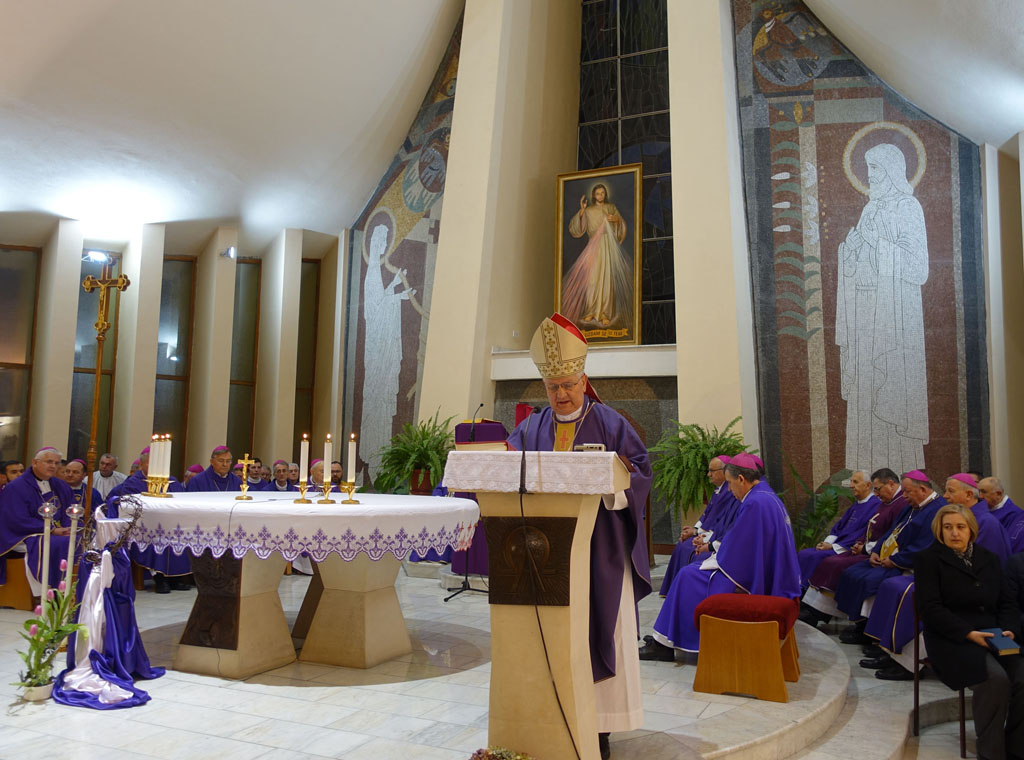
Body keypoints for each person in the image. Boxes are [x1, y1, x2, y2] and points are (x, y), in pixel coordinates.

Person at [506, 313, 651, 758]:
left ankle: (600, 727)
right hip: (547, 553)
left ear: (583, 380)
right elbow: (507, 467)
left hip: (600, 548)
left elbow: (640, 472)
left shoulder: (610, 423)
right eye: (553, 387)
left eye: (568, 384)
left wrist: (609, 482)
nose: (562, 394)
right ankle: (553, 713)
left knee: (600, 630)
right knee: (551, 637)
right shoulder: (532, 428)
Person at [641, 453, 800, 661]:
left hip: (757, 582)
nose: (730, 490)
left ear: (741, 479)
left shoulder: (755, 503)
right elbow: (744, 543)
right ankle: (665, 639)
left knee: (688, 577)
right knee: (691, 572)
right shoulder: (765, 495)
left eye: (731, 484)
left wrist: (715, 556)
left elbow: (738, 550)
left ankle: (665, 645)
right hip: (772, 576)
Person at [836, 142, 929, 475]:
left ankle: (902, 470)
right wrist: (849, 252)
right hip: (864, 315)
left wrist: (877, 244)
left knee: (890, 383)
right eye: (868, 168)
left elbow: (919, 269)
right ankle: (864, 470)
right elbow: (859, 258)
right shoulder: (870, 210)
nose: (870, 175)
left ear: (891, 170)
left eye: (875, 168)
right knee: (866, 384)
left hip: (893, 319)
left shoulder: (909, 207)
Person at [862, 474, 1011, 681]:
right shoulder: (956, 516)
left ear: (969, 495)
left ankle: (908, 663)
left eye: (950, 491)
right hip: (950, 579)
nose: (945, 495)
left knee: (912, 595)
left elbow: (986, 569)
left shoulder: (986, 522)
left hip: (970, 597)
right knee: (894, 586)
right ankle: (891, 652)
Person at [916, 503, 1024, 760]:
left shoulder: (990, 559)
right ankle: (991, 753)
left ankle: (1016, 749)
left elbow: (1007, 603)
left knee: (1023, 677)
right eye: (948, 527)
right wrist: (968, 634)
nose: (955, 533)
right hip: (951, 639)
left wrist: (1009, 630)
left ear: (971, 530)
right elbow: (931, 609)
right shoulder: (927, 560)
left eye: (960, 527)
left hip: (994, 635)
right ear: (939, 530)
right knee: (995, 680)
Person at [832, 470, 945, 644]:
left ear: (923, 490)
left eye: (907, 492)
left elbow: (923, 546)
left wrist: (895, 560)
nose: (904, 496)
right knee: (851, 572)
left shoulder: (938, 510)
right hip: (887, 557)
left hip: (907, 564)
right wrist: (876, 551)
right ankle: (860, 624)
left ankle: (871, 634)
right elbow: (891, 531)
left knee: (871, 580)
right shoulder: (911, 506)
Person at [801, 467, 909, 628]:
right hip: (865, 548)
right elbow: (865, 529)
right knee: (819, 559)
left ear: (891, 484)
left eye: (877, 489)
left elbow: (891, 534)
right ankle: (809, 605)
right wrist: (859, 542)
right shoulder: (885, 502)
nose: (876, 493)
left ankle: (825, 614)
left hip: (876, 553)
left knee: (836, 564)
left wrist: (864, 548)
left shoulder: (899, 504)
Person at [106, 446, 188, 593]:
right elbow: (130, 507)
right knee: (157, 539)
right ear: (142, 465)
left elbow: (181, 502)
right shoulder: (133, 483)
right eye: (151, 463)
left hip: (170, 524)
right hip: (144, 526)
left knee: (182, 536)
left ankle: (176, 578)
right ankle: (160, 579)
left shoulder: (172, 481)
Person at [659, 455, 739, 595]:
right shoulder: (721, 489)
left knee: (691, 553)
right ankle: (675, 589)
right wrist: (695, 529)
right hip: (712, 537)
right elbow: (707, 514)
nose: (709, 474)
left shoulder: (732, 494)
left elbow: (725, 525)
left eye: (712, 471)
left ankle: (683, 591)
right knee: (683, 545)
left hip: (720, 545)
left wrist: (703, 538)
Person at [0, 447, 75, 595]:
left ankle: (72, 588)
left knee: (76, 540)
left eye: (56, 463)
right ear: (35, 462)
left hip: (57, 531)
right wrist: (52, 529)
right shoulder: (16, 487)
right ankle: (47, 590)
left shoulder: (60, 485)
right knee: (54, 543)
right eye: (49, 462)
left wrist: (69, 528)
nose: (53, 466)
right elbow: (17, 519)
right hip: (24, 534)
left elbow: (71, 509)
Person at [562, 183, 634, 330]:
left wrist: (616, 220)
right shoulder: (588, 211)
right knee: (592, 280)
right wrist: (582, 211)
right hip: (593, 246)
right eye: (597, 193)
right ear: (593, 195)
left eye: (602, 193)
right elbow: (577, 229)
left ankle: (605, 314)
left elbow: (621, 224)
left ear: (605, 194)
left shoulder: (611, 207)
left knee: (606, 279)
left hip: (607, 245)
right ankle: (591, 311)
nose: (600, 195)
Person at [796, 470, 880, 591]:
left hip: (847, 549)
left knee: (815, 557)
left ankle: (805, 591)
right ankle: (797, 587)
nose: (851, 485)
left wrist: (833, 546)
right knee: (803, 554)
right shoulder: (857, 504)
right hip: (837, 545)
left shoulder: (875, 506)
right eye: (851, 481)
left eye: (855, 482)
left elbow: (862, 533)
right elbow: (839, 526)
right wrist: (827, 543)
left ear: (867, 485)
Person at [980, 477, 1024, 552]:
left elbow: (1010, 545)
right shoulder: (982, 510)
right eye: (979, 492)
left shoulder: (1016, 515)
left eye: (984, 492)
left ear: (998, 494)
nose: (980, 496)